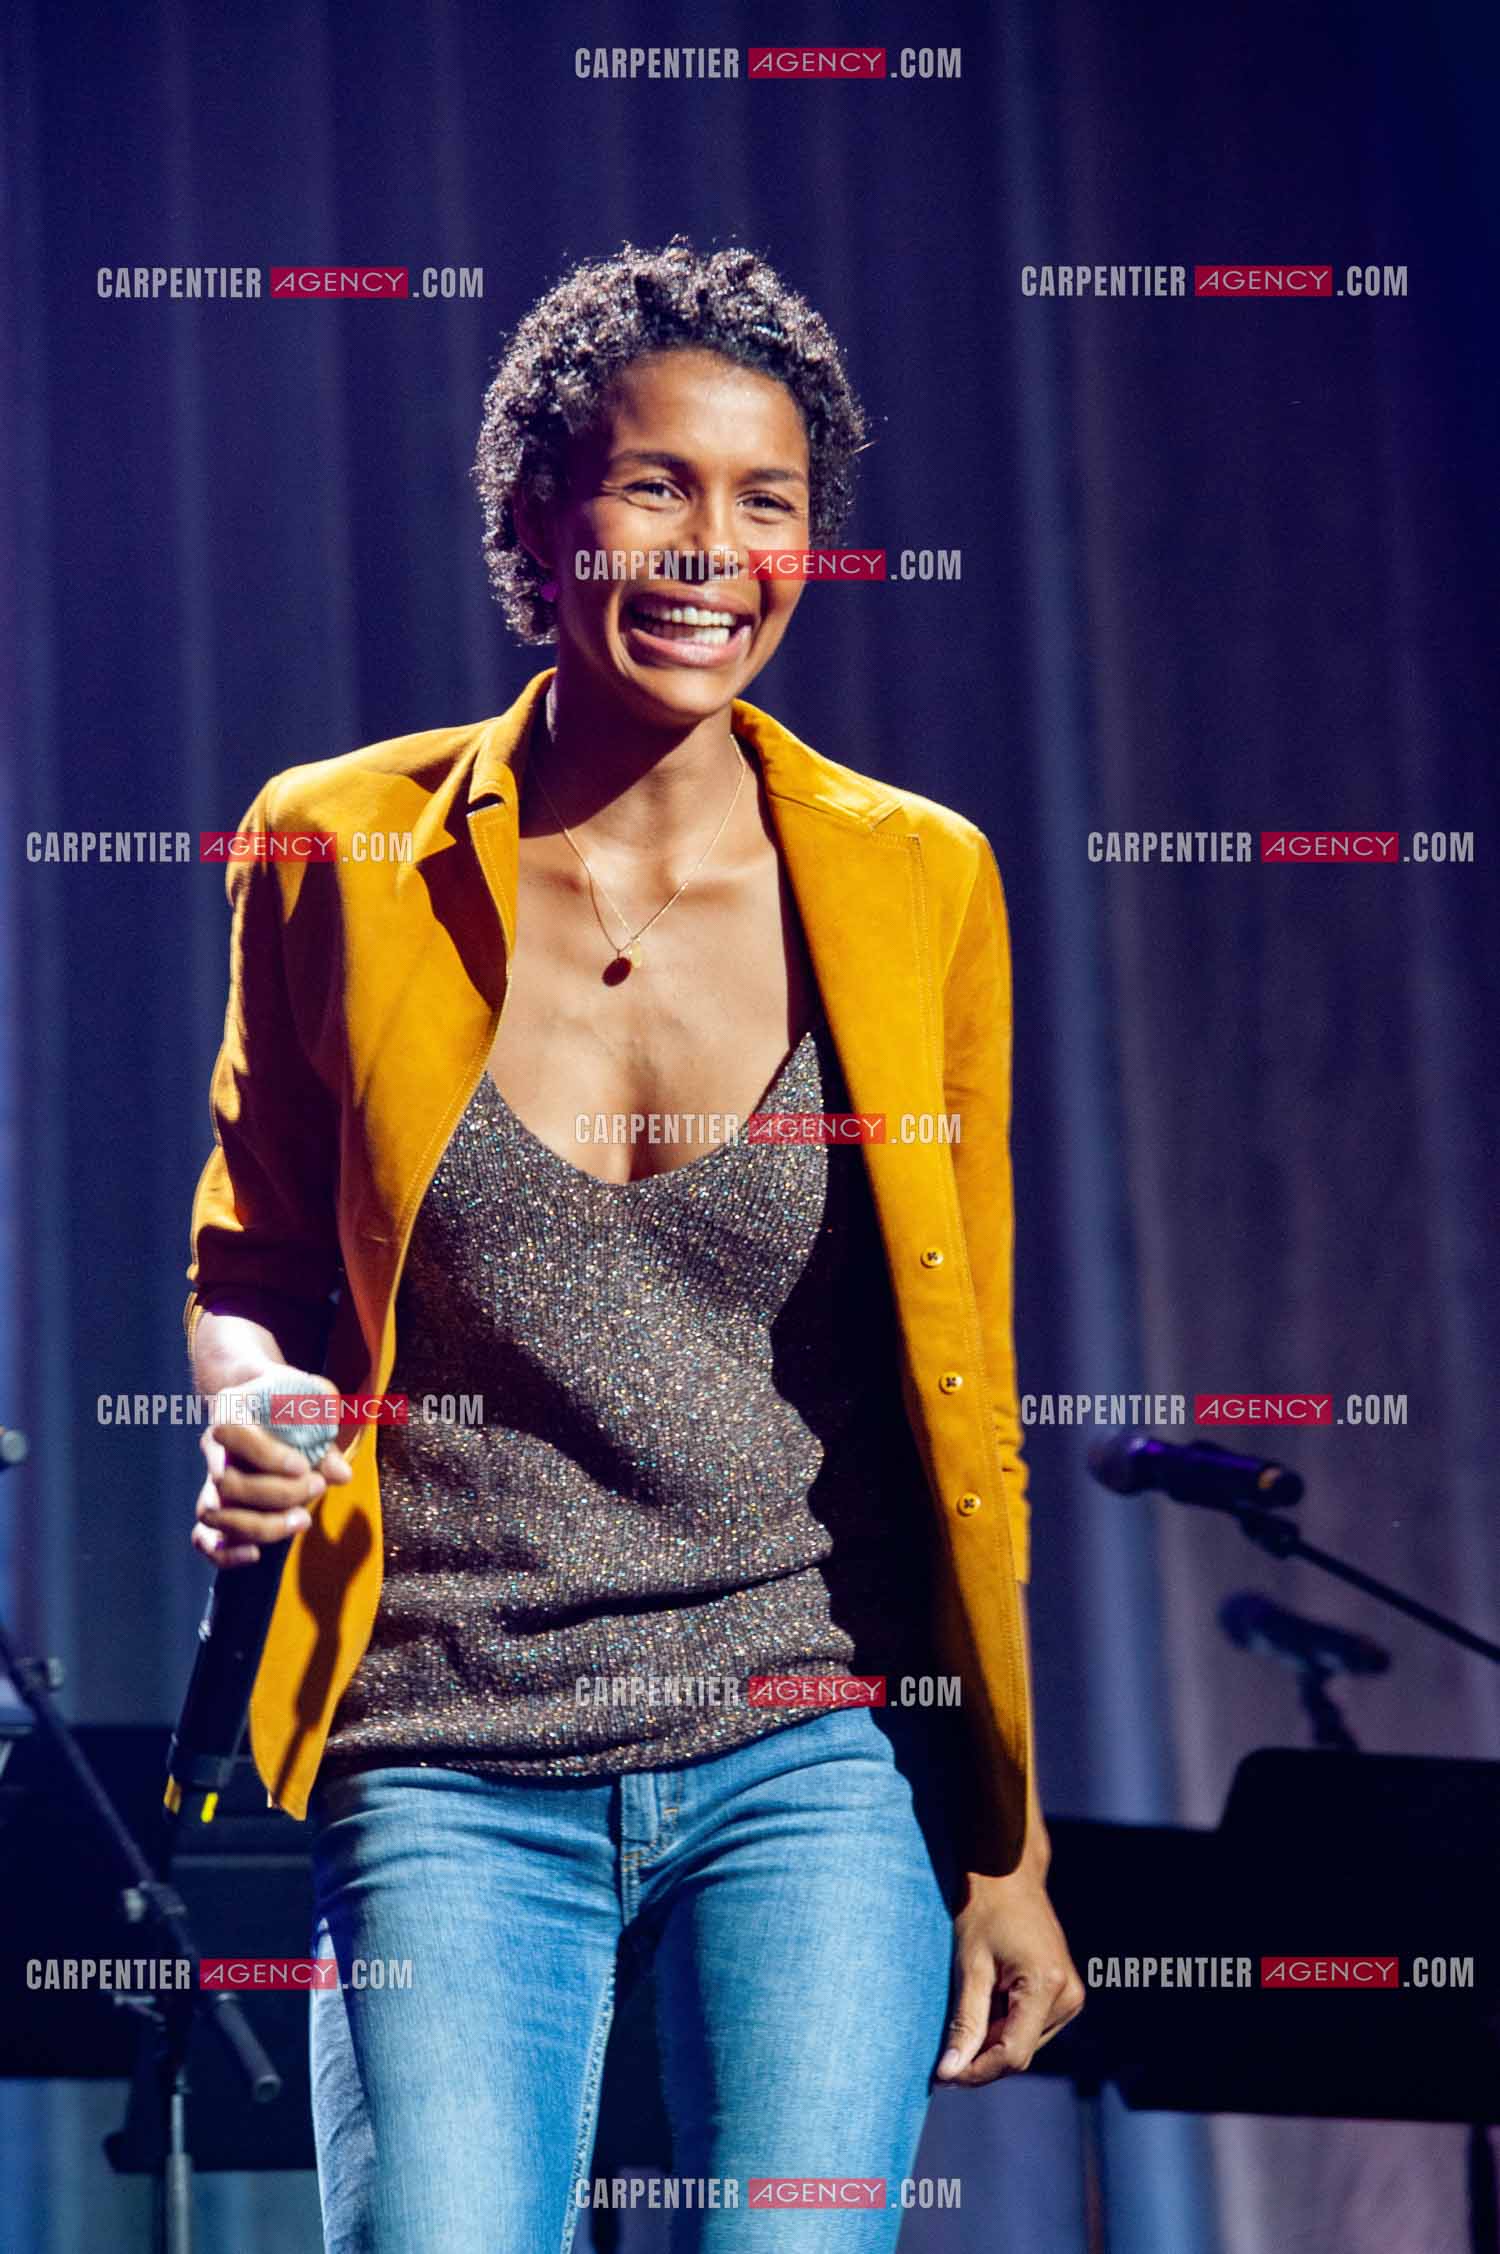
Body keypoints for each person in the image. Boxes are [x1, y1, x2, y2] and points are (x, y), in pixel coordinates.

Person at [184, 238, 1083, 2253]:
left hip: (801, 1745)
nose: (713, 547)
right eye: (657, 484)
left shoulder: (917, 875)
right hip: (442, 1748)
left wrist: (1004, 1845)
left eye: (766, 500)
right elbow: (245, 1267)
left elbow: (966, 1384)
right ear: (539, 517)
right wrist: (255, 1408)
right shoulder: (338, 844)